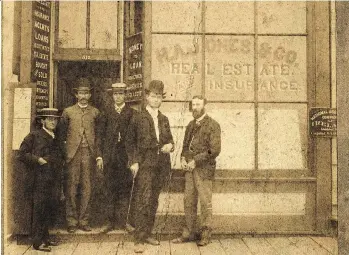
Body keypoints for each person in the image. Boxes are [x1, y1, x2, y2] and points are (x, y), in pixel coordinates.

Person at [126, 80, 174, 253]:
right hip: (144, 165)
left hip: (161, 165)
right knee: (143, 200)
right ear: (147, 97)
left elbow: (170, 140)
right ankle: (139, 238)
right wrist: (134, 161)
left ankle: (148, 233)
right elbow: (129, 142)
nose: (155, 100)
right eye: (153, 96)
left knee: (153, 200)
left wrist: (170, 146)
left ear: (162, 99)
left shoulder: (164, 119)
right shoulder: (137, 118)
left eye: (159, 97)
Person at [172, 95, 221, 246]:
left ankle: (205, 234)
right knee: (189, 201)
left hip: (204, 170)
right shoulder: (190, 125)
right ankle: (189, 233)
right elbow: (186, 146)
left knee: (205, 202)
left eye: (198, 104)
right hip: (189, 170)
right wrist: (182, 158)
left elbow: (214, 150)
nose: (195, 108)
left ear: (204, 105)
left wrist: (196, 161)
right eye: (193, 105)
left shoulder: (213, 125)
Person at [58, 78, 103, 233]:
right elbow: (61, 136)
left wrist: (98, 155)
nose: (83, 96)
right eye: (81, 93)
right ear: (76, 95)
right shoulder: (68, 112)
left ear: (90, 95)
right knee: (71, 188)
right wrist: (65, 155)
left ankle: (84, 220)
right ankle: (71, 221)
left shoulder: (95, 112)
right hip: (72, 155)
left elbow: (98, 137)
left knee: (87, 188)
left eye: (86, 93)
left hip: (88, 155)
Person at [18, 108, 63, 252]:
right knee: (39, 210)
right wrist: (38, 159)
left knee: (48, 208)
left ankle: (45, 238)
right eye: (49, 119)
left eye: (55, 119)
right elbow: (22, 154)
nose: (52, 122)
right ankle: (38, 243)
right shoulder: (34, 135)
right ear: (42, 121)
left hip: (52, 178)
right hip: (39, 179)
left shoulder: (55, 136)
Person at [101, 82, 136, 233]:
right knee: (109, 189)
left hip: (125, 158)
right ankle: (109, 222)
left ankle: (124, 222)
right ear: (112, 95)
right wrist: (99, 156)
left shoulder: (132, 113)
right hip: (110, 158)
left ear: (125, 96)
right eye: (116, 94)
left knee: (125, 189)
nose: (118, 96)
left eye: (121, 94)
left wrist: (133, 159)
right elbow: (100, 136)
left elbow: (135, 138)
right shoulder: (106, 112)